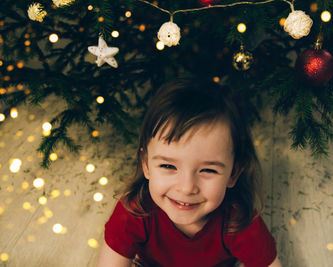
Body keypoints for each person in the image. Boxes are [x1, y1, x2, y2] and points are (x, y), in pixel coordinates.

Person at [96, 78, 281, 267]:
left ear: (233, 173)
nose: (186, 188)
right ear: (145, 164)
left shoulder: (238, 222)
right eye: (168, 166)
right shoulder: (134, 212)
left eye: (207, 170)